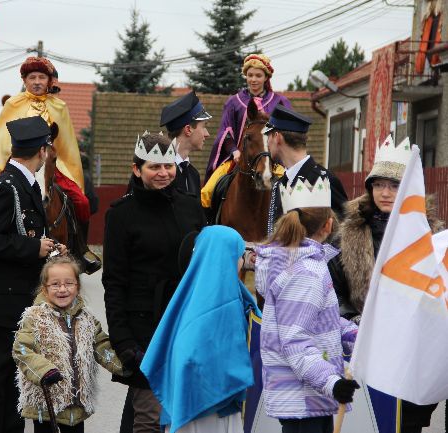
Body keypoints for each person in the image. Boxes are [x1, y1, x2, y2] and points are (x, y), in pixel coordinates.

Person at [328, 136, 441, 433]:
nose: (385, 193)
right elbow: (332, 289)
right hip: (365, 349)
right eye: (379, 185)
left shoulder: (427, 239)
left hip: (409, 352)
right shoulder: (349, 235)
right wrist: (352, 319)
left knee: (406, 425)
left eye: (393, 185)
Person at [102, 132, 206, 433]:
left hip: (185, 324)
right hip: (143, 330)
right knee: (148, 417)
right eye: (153, 167)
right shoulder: (122, 215)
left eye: (168, 166)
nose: (163, 173)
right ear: (137, 169)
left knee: (180, 414)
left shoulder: (190, 206)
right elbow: (115, 282)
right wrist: (123, 341)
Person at [0, 115, 66, 433]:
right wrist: (32, 249)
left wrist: (49, 250)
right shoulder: (6, 186)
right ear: (42, 150)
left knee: (16, 391)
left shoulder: (25, 184)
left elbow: (24, 235)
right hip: (0, 306)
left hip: (19, 307)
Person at [0, 56, 98, 272]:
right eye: (32, 77)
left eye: (42, 77)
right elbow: (0, 142)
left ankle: (80, 248)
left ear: (49, 81)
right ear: (24, 80)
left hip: (51, 166)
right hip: (17, 163)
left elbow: (67, 146)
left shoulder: (60, 106)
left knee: (82, 202)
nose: (37, 81)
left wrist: (62, 167)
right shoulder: (13, 104)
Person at [255, 175, 360, 433]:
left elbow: (320, 322)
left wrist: (360, 336)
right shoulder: (305, 272)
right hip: (303, 398)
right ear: (328, 225)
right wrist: (332, 382)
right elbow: (295, 339)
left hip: (309, 397)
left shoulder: (299, 264)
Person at [141, 225, 258, 433]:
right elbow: (193, 353)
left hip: (201, 400)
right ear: (225, 258)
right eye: (240, 255)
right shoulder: (224, 300)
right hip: (208, 406)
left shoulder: (194, 292)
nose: (242, 262)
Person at [13, 255, 127, 433]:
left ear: (78, 287)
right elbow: (22, 350)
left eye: (69, 283)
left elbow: (102, 347)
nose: (62, 289)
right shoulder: (35, 318)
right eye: (55, 284)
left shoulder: (87, 319)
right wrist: (44, 371)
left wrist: (126, 367)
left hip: (76, 405)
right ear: (44, 289)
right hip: (46, 404)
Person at [205, 53, 291, 182]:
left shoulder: (280, 102)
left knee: (290, 188)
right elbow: (226, 131)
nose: (253, 80)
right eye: (250, 75)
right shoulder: (233, 102)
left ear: (266, 77)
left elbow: (289, 131)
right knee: (208, 190)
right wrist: (234, 151)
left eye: (258, 75)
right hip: (239, 158)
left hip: (274, 161)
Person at [264, 105, 347, 234]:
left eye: (268, 136)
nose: (267, 143)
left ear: (277, 137)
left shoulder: (325, 180)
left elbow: (344, 232)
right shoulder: (280, 183)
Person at [160, 91, 212, 194]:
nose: (207, 134)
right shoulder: (158, 172)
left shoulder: (193, 175)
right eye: (204, 126)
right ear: (188, 130)